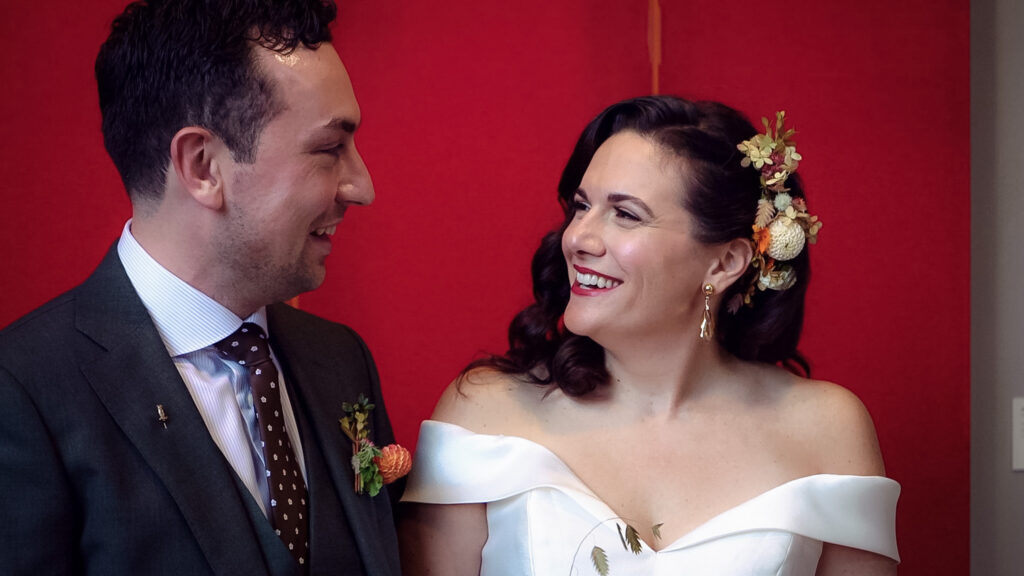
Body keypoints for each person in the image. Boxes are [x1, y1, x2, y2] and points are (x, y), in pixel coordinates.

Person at [399, 96, 899, 575]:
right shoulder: (486, 413)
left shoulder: (827, 430)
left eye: (625, 214)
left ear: (725, 262)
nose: (577, 238)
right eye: (581, 206)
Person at [0, 1, 403, 574]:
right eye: (329, 149)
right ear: (203, 166)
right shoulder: (23, 393)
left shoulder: (341, 361)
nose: (361, 186)